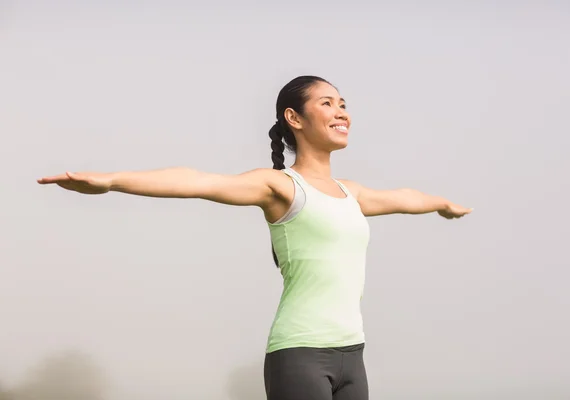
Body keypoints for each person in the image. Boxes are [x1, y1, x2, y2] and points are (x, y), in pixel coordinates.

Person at [37, 75, 472, 400]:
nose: (342, 112)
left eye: (343, 103)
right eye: (328, 103)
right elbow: (196, 180)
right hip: (299, 355)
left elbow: (405, 197)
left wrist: (442, 204)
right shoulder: (280, 187)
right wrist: (111, 180)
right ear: (294, 118)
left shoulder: (351, 194)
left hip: (352, 356)